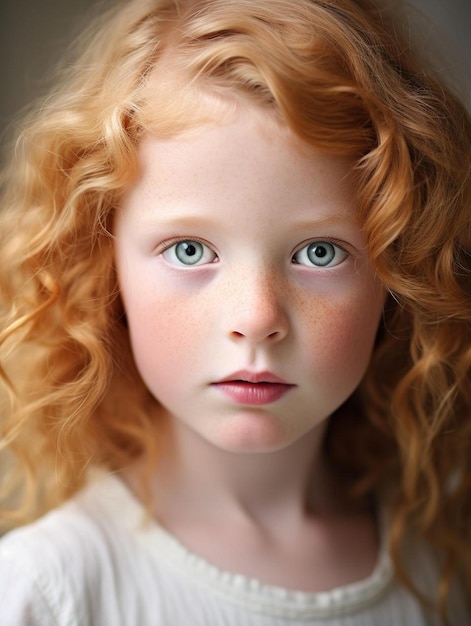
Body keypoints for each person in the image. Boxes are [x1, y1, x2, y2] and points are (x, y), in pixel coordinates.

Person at [0, 0, 470, 623]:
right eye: (190, 250)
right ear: (103, 261)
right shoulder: (50, 591)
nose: (256, 316)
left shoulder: (439, 569)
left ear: (401, 271)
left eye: (320, 252)